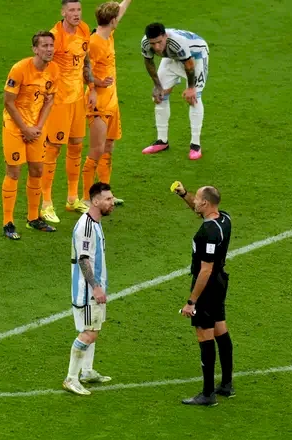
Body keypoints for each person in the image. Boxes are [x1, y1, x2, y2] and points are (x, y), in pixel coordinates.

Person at [173, 182, 234, 406]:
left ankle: (208, 394)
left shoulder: (207, 232)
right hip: (220, 281)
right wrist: (183, 195)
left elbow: (205, 270)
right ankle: (227, 385)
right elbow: (201, 212)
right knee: (220, 328)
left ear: (206, 203)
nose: (195, 201)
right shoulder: (224, 218)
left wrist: (192, 301)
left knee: (204, 335)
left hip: (206, 285)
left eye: (197, 198)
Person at [39, 0, 98, 224]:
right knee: (53, 149)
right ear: (63, 12)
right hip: (59, 102)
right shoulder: (56, 37)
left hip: (78, 99)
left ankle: (72, 198)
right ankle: (46, 203)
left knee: (76, 145)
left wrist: (91, 88)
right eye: (71, 10)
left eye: (78, 10)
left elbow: (86, 61)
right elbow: (44, 67)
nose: (76, 14)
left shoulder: (83, 29)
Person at [2, 31, 60, 240]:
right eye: (44, 46)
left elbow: (49, 101)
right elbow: (8, 102)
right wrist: (25, 129)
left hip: (36, 128)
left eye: (51, 45)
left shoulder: (54, 70)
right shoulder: (20, 69)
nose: (49, 49)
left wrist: (38, 127)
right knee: (14, 172)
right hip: (15, 128)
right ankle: (8, 222)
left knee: (37, 170)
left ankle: (33, 218)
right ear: (35, 49)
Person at [63, 182, 114, 395]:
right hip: (86, 291)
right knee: (88, 333)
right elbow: (83, 260)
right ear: (95, 201)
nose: (113, 203)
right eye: (108, 199)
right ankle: (71, 378)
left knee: (95, 328)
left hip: (94, 287)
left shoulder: (95, 222)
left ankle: (87, 371)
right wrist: (95, 287)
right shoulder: (85, 226)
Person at [82, 0, 132, 207]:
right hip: (98, 102)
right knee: (96, 150)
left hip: (112, 101)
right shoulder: (94, 42)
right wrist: (96, 85)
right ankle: (86, 197)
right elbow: (84, 68)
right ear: (112, 21)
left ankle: (106, 194)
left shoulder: (107, 33)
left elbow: (119, 11)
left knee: (109, 147)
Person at [141, 24, 209, 160]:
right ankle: (162, 141)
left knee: (194, 97)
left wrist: (191, 88)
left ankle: (195, 145)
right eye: (153, 44)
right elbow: (149, 62)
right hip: (172, 56)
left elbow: (189, 66)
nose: (157, 47)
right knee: (159, 96)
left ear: (165, 36)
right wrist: (158, 86)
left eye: (160, 42)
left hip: (196, 57)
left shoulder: (177, 42)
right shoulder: (145, 43)